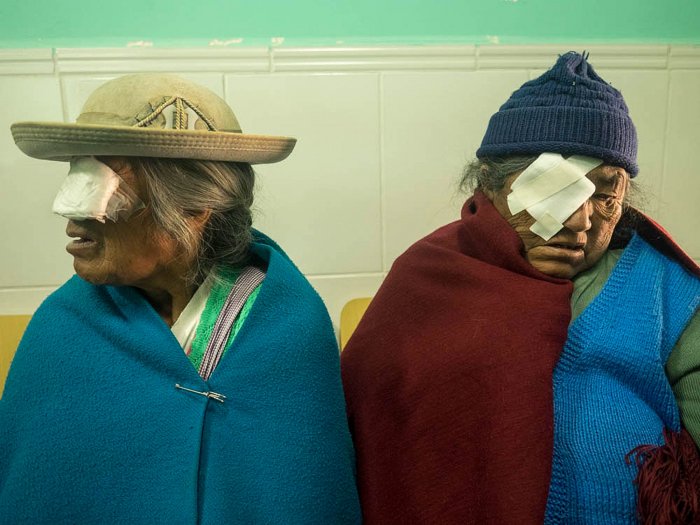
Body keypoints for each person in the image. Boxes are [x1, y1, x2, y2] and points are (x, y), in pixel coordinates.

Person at [341, 52, 700, 524]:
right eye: (553, 192)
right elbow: (373, 426)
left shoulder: (664, 288)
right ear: (489, 191)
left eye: (606, 197)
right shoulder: (432, 277)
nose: (578, 222)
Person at [0, 74, 361, 524]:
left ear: (193, 210)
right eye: (74, 181)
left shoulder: (288, 326)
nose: (71, 219)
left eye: (96, 189)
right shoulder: (61, 330)